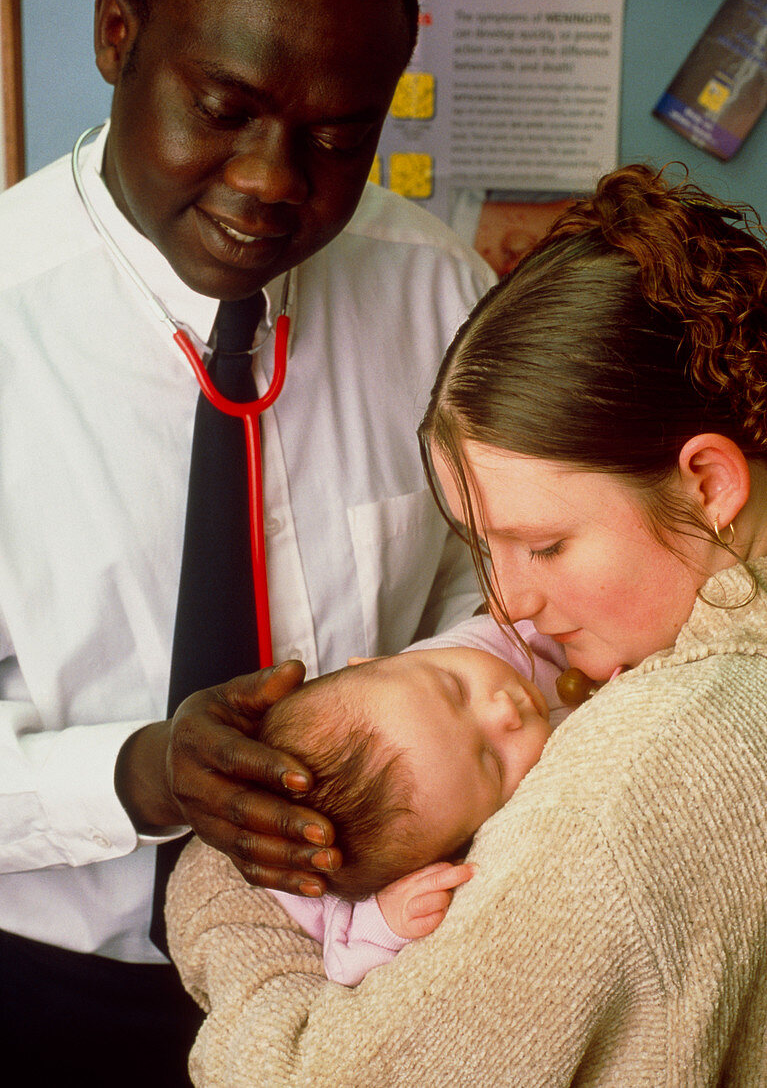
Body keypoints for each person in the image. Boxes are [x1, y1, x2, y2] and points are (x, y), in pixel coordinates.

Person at [167, 163, 767, 1086]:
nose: (510, 603)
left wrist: (220, 878)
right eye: (484, 546)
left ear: (708, 484)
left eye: (547, 545)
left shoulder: (640, 778)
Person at [0, 0, 494, 1085]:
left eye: (336, 137)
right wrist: (140, 775)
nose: (274, 179)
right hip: (52, 980)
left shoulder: (440, 295)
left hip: (373, 970)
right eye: (222, 108)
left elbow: (494, 584)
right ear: (117, 36)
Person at [253, 614, 570, 986]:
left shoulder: (452, 657)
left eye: (458, 691)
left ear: (377, 662)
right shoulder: (413, 840)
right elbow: (341, 962)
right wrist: (389, 917)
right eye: (492, 761)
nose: (504, 709)